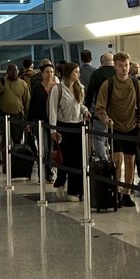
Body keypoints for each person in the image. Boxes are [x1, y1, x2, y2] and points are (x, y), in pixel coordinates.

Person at [96, 51, 140, 206]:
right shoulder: (108, 84)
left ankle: (127, 192)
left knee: (131, 161)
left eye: (126, 65)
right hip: (114, 126)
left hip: (132, 127)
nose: (124, 69)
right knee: (118, 160)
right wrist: (105, 118)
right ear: (115, 67)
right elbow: (100, 107)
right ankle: (116, 191)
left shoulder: (137, 84)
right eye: (120, 66)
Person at [49, 62, 89, 199]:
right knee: (65, 159)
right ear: (68, 73)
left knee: (78, 160)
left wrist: (85, 111)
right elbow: (53, 110)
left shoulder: (80, 88)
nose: (78, 74)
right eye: (76, 72)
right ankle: (60, 182)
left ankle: (76, 190)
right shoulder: (57, 89)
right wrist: (53, 130)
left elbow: (80, 105)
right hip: (63, 126)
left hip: (77, 126)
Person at [28, 62, 57, 182]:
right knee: (43, 148)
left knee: (51, 149)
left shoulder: (56, 87)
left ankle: (49, 171)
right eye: (47, 72)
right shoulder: (37, 88)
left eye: (51, 72)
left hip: (53, 122)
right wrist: (30, 122)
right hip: (41, 122)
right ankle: (42, 173)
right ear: (42, 74)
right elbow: (32, 106)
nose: (49, 74)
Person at [86, 52, 115, 159]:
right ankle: (116, 163)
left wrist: (88, 109)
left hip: (100, 111)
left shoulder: (96, 74)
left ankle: (104, 161)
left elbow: (90, 93)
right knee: (115, 140)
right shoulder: (118, 73)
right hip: (117, 112)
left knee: (99, 139)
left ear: (101, 62)